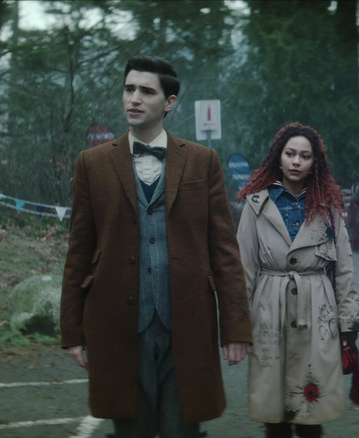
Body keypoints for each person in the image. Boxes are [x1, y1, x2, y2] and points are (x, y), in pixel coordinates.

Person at [60, 55, 252, 438]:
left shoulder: (203, 161)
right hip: (117, 325)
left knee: (183, 429)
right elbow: (79, 252)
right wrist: (73, 331)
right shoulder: (92, 164)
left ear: (169, 102)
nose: (134, 98)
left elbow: (225, 252)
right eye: (129, 89)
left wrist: (235, 328)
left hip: (188, 324)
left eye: (147, 91)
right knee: (130, 430)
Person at [236, 122, 359, 438]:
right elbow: (243, 269)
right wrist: (236, 326)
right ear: (277, 157)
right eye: (290, 153)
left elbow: (344, 269)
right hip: (269, 308)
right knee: (274, 413)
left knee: (311, 412)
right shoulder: (256, 204)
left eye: (304, 156)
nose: (296, 161)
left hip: (317, 306)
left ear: (314, 163)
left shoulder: (329, 207)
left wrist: (347, 324)